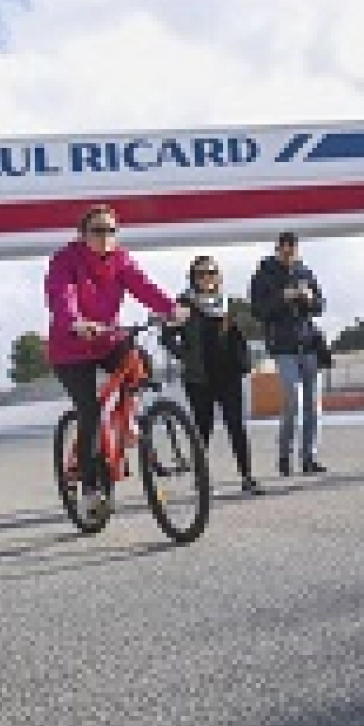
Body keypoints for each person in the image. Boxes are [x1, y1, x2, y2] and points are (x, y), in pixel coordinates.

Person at [45, 204, 188, 519]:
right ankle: (90, 487)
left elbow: (142, 286)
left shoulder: (120, 259)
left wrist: (170, 308)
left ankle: (130, 421)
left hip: (107, 338)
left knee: (139, 360)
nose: (106, 236)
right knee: (90, 411)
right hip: (71, 347)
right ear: (83, 235)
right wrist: (76, 321)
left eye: (111, 230)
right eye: (98, 230)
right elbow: (61, 294)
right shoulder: (65, 260)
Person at [162, 254, 260, 494]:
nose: (207, 278)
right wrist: (185, 355)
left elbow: (244, 331)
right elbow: (165, 337)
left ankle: (247, 477)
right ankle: (202, 481)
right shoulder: (183, 304)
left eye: (212, 273)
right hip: (199, 378)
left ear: (219, 277)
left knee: (236, 425)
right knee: (202, 430)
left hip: (229, 374)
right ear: (193, 278)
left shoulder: (230, 303)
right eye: (201, 274)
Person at [249, 230, 328, 476]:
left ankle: (309, 458)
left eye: (293, 248)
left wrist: (310, 298)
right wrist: (282, 298)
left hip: (309, 345)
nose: (289, 252)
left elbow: (321, 306)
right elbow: (257, 310)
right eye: (285, 248)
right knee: (294, 399)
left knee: (313, 406)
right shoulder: (263, 276)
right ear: (277, 249)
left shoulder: (305, 273)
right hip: (283, 347)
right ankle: (284, 455)